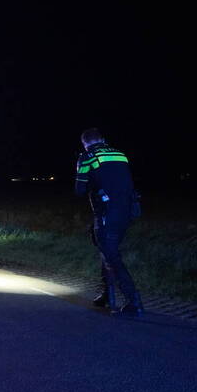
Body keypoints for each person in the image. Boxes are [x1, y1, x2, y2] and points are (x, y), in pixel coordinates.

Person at [75, 128, 143, 315]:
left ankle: (134, 301)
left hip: (106, 213)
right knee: (105, 248)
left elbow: (80, 190)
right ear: (103, 139)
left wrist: (90, 182)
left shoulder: (87, 157)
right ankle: (107, 293)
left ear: (84, 143)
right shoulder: (119, 154)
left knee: (111, 255)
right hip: (128, 212)